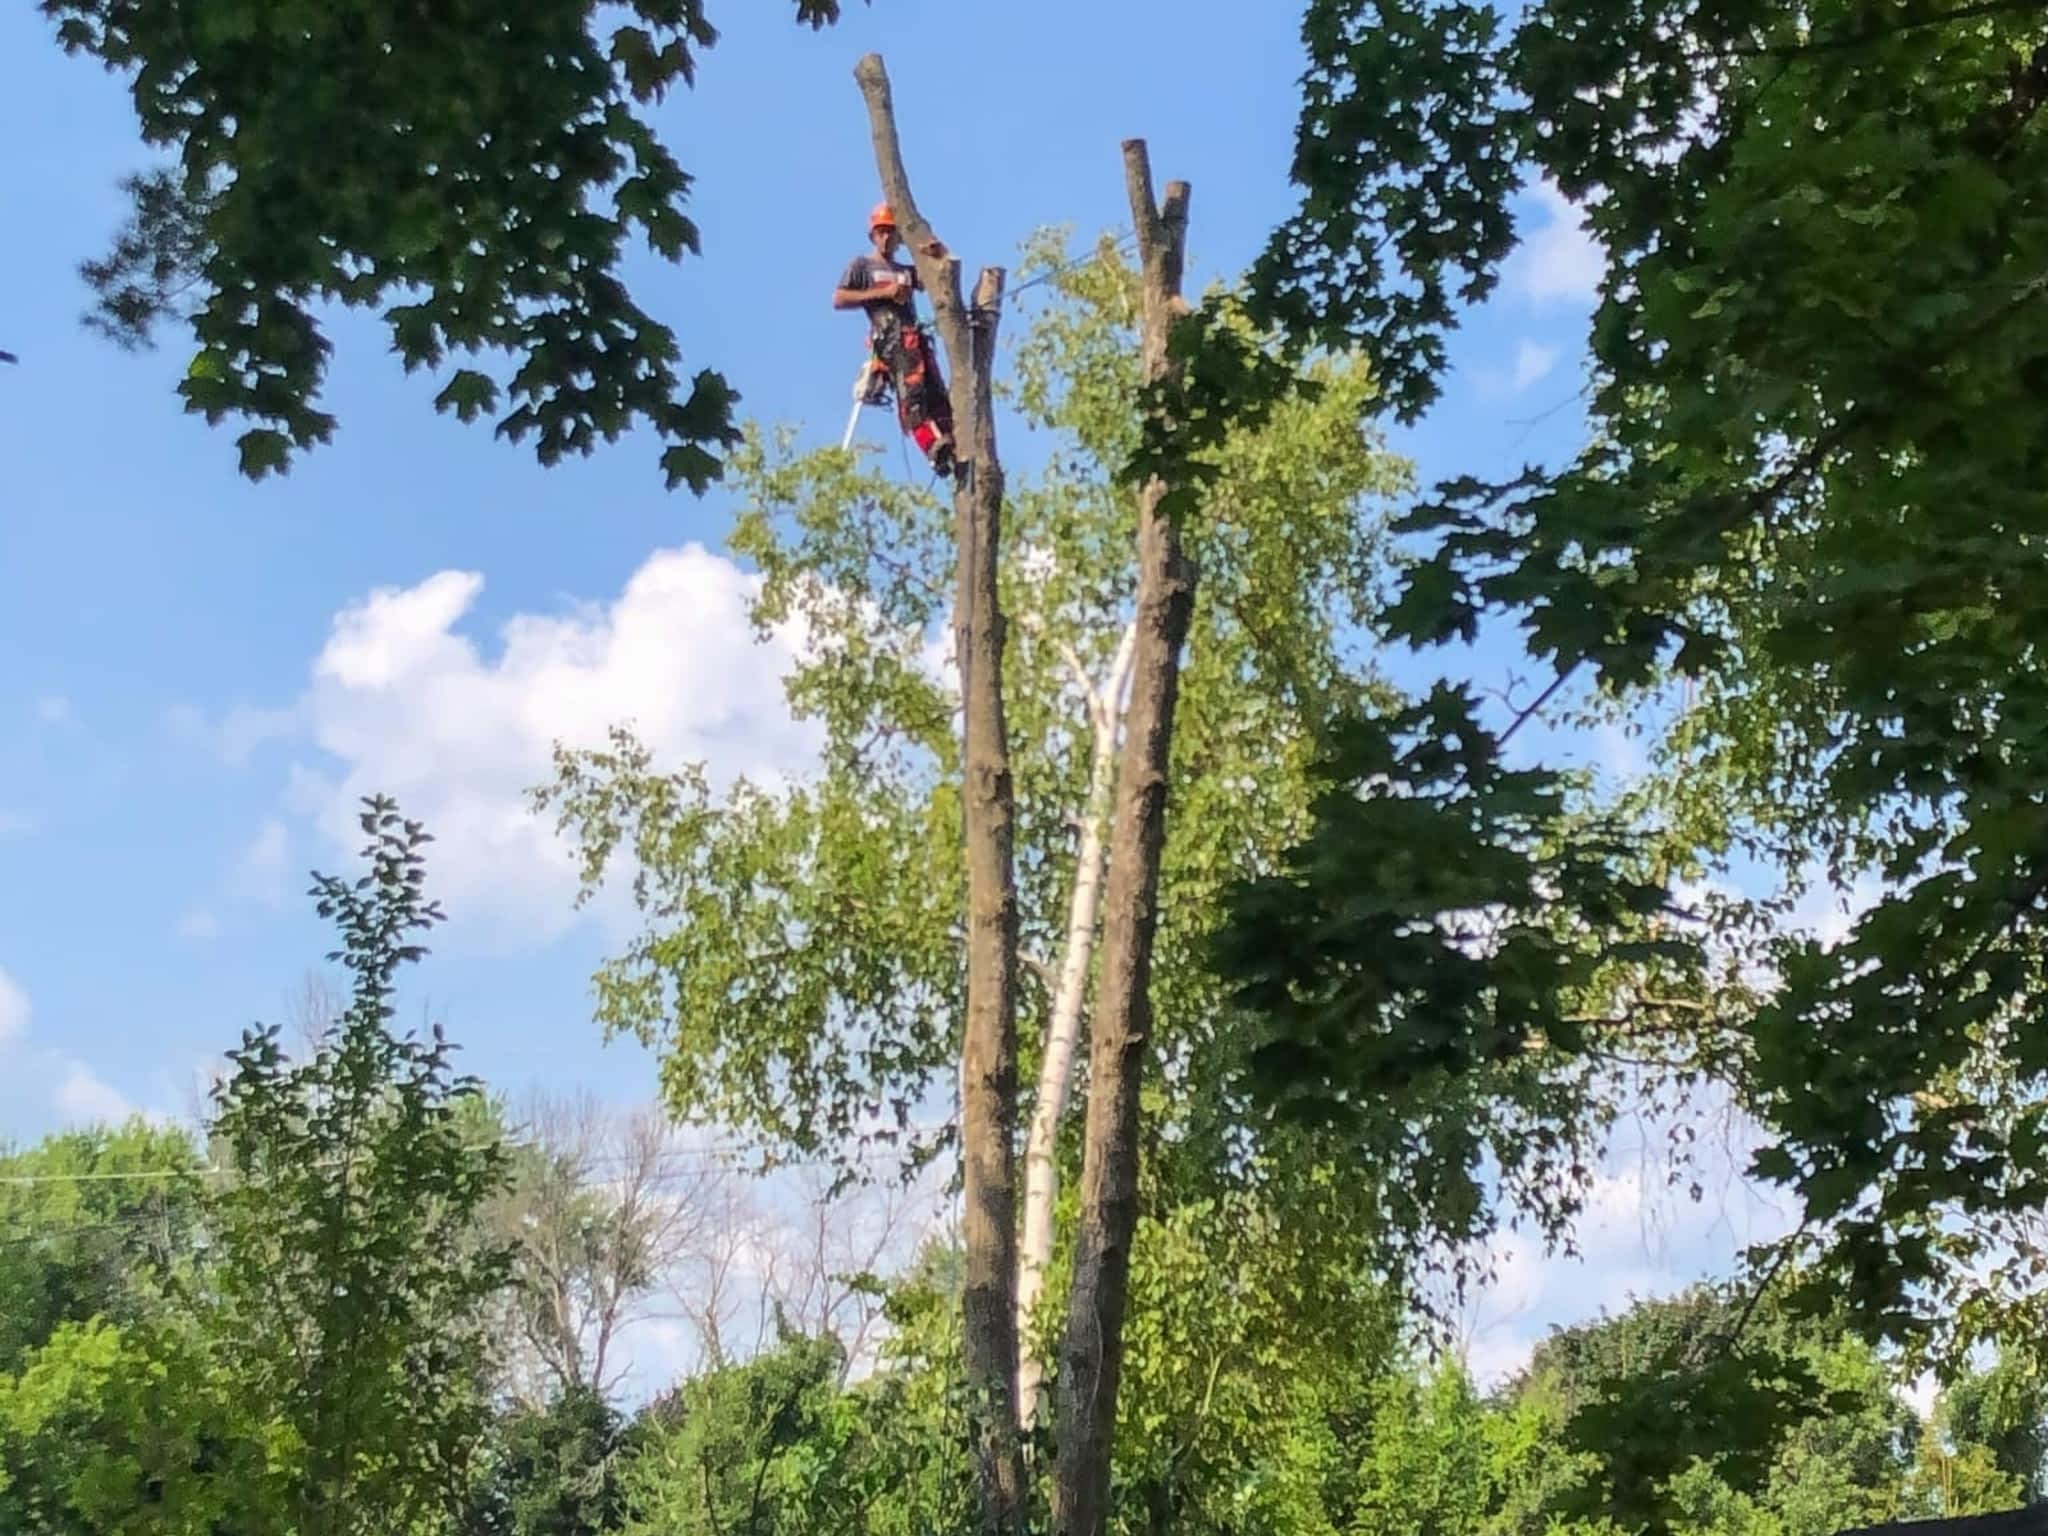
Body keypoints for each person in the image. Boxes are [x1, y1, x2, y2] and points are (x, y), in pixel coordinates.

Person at [833, 202, 957, 477]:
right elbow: (840, 298)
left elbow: (938, 276)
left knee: (936, 393)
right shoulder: (862, 266)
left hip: (915, 336)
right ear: (873, 236)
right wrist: (885, 293)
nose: (886, 237)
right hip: (890, 339)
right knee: (912, 397)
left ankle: (951, 441)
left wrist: (938, 252)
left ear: (899, 237)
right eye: (881, 232)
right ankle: (933, 445)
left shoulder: (906, 271)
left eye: (891, 232)